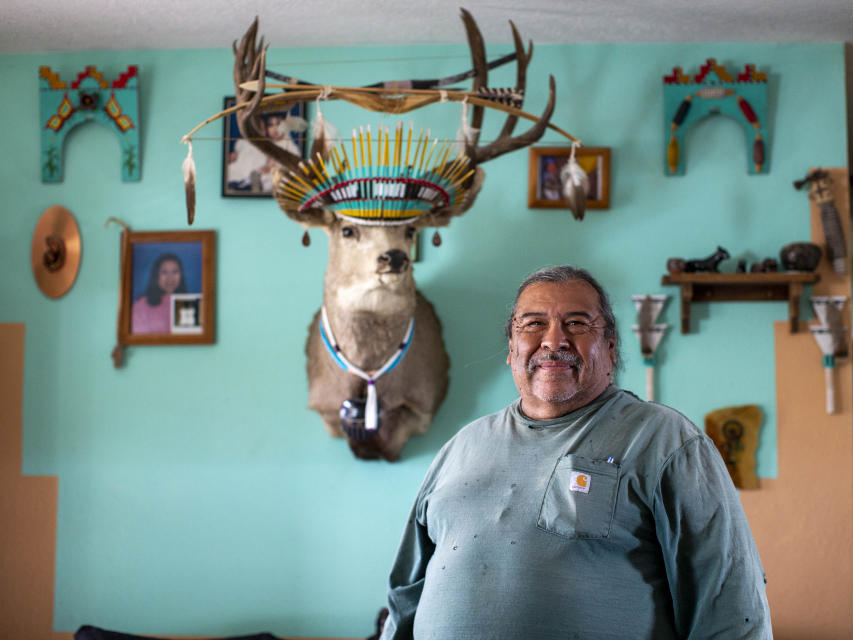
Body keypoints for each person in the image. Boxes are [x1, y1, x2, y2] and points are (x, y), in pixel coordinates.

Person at [380, 265, 772, 639]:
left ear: (611, 347)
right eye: (534, 324)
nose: (553, 341)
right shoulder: (462, 446)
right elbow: (405, 594)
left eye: (577, 324)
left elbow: (729, 601)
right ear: (511, 348)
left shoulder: (666, 441)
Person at [227, 113, 299, 193]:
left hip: (283, 172)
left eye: (278, 124)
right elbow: (268, 160)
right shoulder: (269, 143)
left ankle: (256, 185)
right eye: (270, 125)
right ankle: (252, 184)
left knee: (269, 178)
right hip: (267, 171)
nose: (275, 128)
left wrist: (271, 166)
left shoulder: (288, 145)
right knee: (260, 174)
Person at [131, 253, 186, 334]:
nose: (170, 277)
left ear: (181, 275)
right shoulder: (141, 305)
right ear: (156, 275)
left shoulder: (189, 304)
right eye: (164, 272)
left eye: (175, 272)